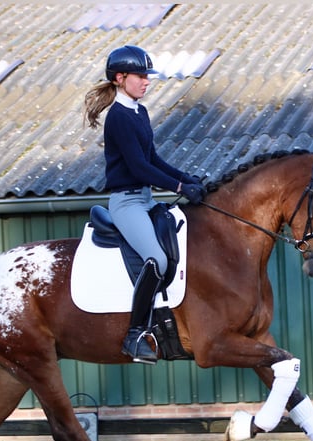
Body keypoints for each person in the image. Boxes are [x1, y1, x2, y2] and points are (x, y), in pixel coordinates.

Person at [84, 44, 206, 365]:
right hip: (127, 204)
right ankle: (134, 333)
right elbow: (139, 168)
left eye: (147, 76)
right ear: (120, 78)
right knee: (157, 259)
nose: (146, 81)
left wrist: (187, 178)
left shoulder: (140, 112)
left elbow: (154, 159)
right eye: (140, 76)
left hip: (147, 199)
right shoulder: (119, 118)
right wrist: (178, 186)